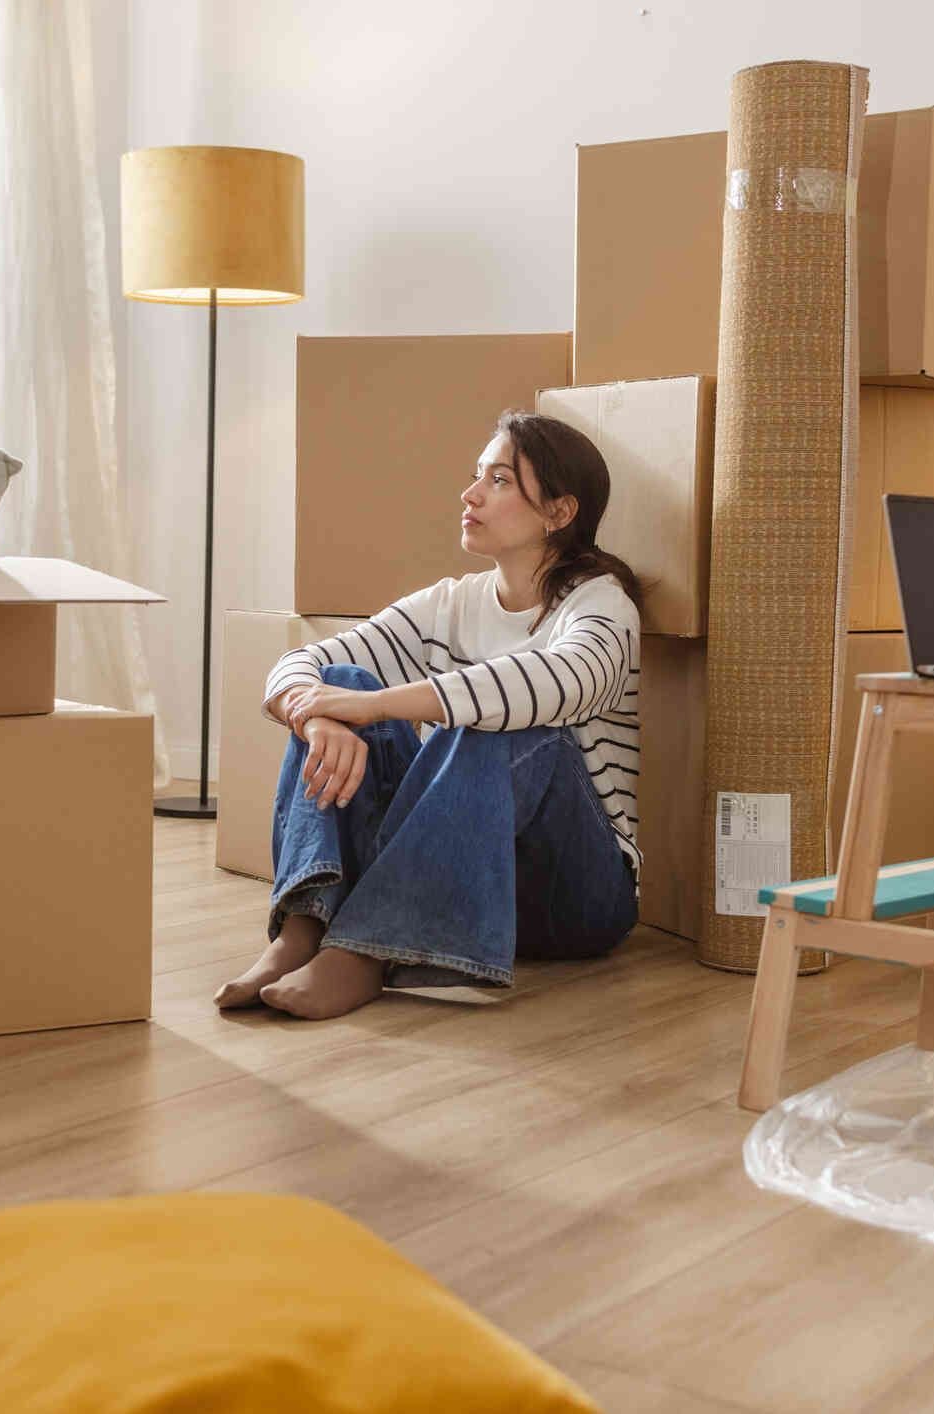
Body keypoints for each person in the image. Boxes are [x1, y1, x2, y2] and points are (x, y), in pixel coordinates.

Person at [215, 409, 646, 1020]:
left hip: (573, 896)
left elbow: (562, 680)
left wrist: (375, 705)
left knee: (499, 722)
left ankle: (365, 952)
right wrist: (318, 716)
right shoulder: (450, 604)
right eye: (477, 476)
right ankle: (305, 930)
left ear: (559, 512)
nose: (470, 494)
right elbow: (302, 664)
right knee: (337, 680)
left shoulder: (602, 605)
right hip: (459, 868)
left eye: (499, 481)